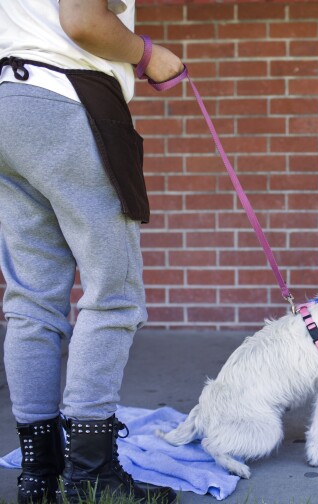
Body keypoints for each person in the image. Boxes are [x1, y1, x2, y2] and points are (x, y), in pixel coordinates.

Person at [0, 0, 183, 502]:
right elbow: (84, 21)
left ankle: (39, 476)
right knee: (112, 292)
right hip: (70, 101)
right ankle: (91, 475)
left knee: (31, 300)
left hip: (8, 103)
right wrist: (149, 55)